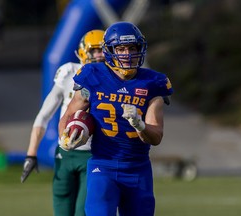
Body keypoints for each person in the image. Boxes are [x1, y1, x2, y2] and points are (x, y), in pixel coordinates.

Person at [58, 21, 173, 216]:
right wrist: (65, 137)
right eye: (121, 48)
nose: (127, 54)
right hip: (103, 167)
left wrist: (140, 124)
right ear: (110, 50)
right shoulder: (92, 76)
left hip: (138, 169)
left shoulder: (154, 83)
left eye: (132, 48)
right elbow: (69, 115)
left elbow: (156, 136)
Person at [20, 29, 105, 216]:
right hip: (64, 153)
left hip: (94, 154)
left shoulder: (112, 78)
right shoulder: (69, 72)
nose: (99, 55)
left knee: (83, 212)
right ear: (83, 52)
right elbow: (44, 115)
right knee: (62, 211)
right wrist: (31, 154)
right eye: (95, 50)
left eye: (103, 50)